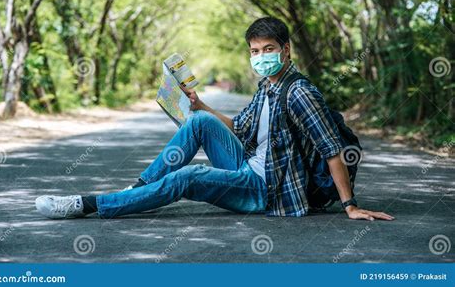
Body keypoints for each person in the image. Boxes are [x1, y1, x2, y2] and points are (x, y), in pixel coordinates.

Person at [35, 17, 394, 221]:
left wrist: (351, 206)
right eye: (255, 51)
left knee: (190, 176)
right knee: (198, 123)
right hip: (248, 164)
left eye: (269, 50)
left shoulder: (299, 92)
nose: (261, 56)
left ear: (286, 50)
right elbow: (239, 127)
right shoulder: (266, 85)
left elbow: (332, 150)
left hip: (267, 189)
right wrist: (202, 105)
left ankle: (93, 203)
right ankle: (137, 187)